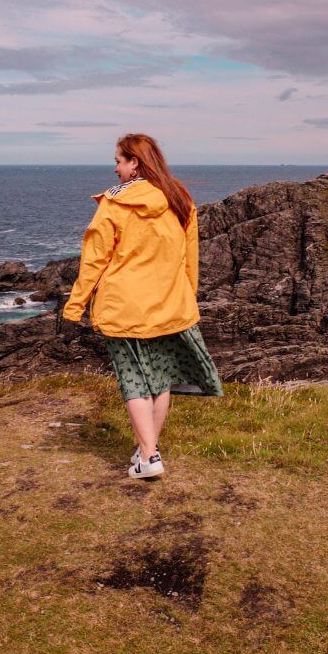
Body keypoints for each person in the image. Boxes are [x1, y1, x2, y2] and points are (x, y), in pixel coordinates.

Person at [60, 133, 224, 480]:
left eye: (118, 161)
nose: (115, 169)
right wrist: (186, 296)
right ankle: (147, 451)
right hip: (170, 305)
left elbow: (94, 260)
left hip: (124, 307)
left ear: (134, 162)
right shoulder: (180, 198)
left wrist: (75, 306)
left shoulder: (114, 203)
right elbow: (189, 257)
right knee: (160, 379)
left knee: (134, 381)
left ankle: (149, 456)